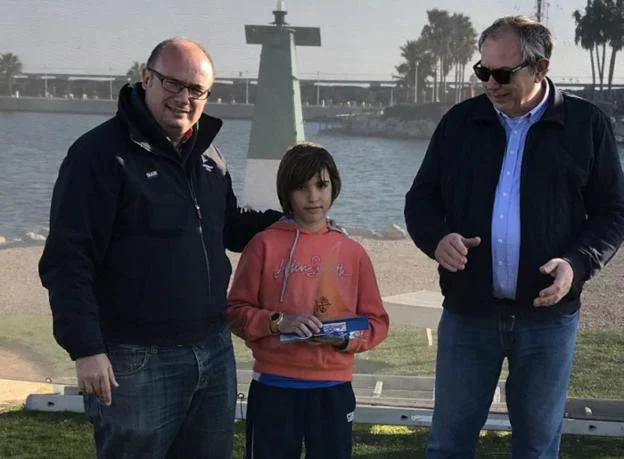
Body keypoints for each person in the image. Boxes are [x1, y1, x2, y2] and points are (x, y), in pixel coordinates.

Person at [38, 38, 281, 458]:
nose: (185, 98)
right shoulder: (98, 155)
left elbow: (228, 225)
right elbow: (67, 260)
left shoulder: (209, 156)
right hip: (135, 360)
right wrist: (86, 349)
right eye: (173, 83)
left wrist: (294, 221)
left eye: (197, 90)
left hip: (213, 349)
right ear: (146, 77)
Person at [404, 16, 624, 459]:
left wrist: (576, 264)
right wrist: (438, 238)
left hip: (548, 321)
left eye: (503, 74)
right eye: (482, 71)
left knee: (538, 449)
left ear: (540, 68)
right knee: (448, 444)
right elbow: (420, 201)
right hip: (468, 317)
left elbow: (612, 213)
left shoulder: (587, 126)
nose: (490, 83)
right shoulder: (459, 123)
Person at [227, 142, 390, 459]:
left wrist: (343, 340)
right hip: (274, 386)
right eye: (301, 188)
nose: (313, 197)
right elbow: (235, 312)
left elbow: (377, 324)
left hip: (333, 388)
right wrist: (278, 322)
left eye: (321, 185)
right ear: (286, 192)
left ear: (334, 187)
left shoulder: (353, 253)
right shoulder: (263, 245)